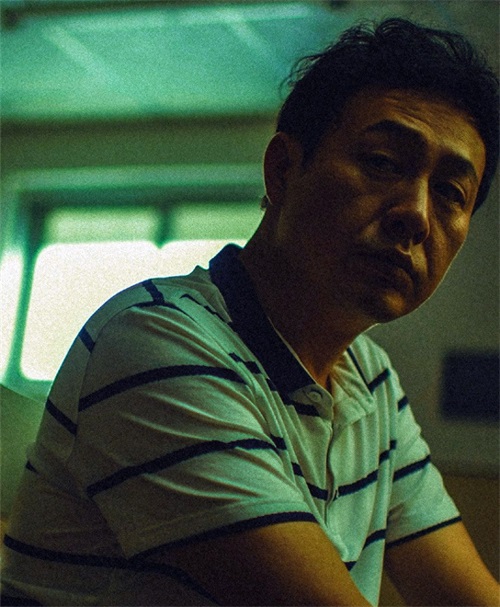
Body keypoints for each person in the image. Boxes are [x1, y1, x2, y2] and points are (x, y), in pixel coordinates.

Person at [1, 17, 499, 607]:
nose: (416, 214)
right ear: (283, 170)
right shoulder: (157, 344)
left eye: (450, 193)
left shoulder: (371, 379)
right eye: (384, 162)